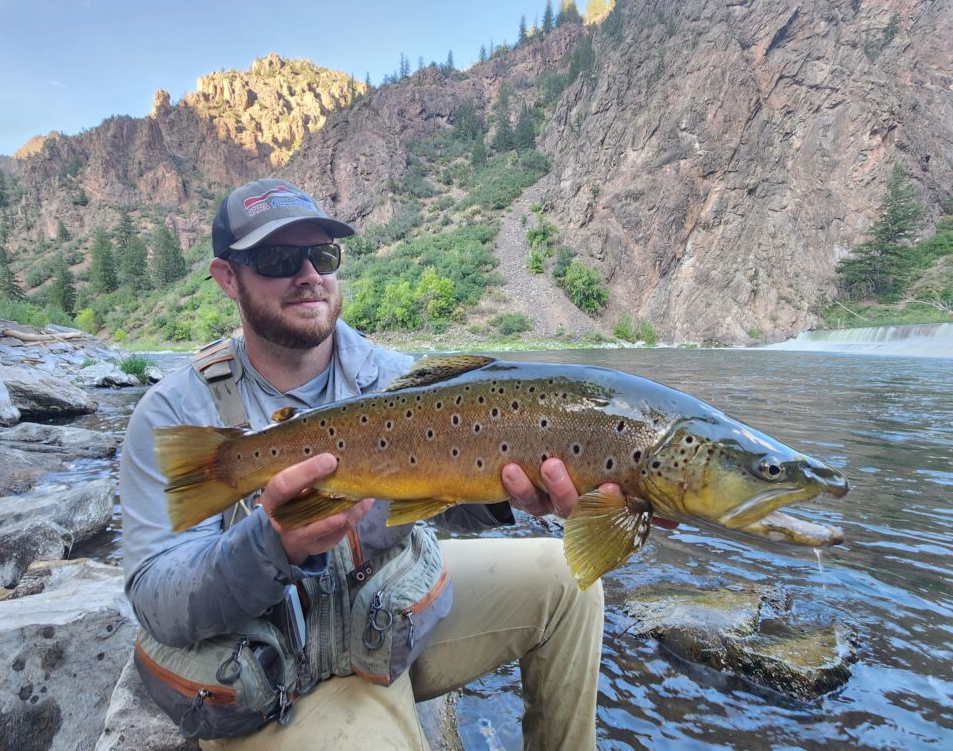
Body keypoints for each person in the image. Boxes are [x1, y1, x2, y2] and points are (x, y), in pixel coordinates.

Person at [120, 178, 614, 750]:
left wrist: (514, 492)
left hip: (388, 624)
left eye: (323, 255)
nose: (309, 274)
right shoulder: (174, 412)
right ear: (228, 277)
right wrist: (273, 544)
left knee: (571, 583)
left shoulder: (397, 379)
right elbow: (158, 603)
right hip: (280, 673)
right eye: (278, 259)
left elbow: (444, 502)